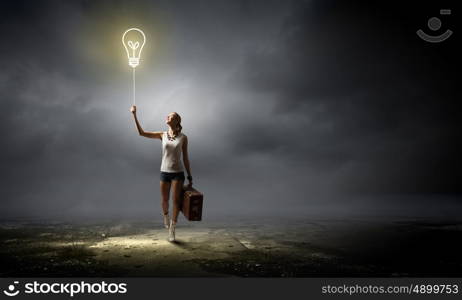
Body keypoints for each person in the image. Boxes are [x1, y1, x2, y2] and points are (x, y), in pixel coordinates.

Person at [130, 105, 193, 242]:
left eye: (170, 116)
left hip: (178, 173)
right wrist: (134, 115)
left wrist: (189, 176)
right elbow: (141, 133)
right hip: (164, 172)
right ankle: (165, 215)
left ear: (176, 121)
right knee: (164, 200)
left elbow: (186, 158)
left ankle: (172, 228)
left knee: (176, 201)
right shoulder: (162, 135)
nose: (167, 117)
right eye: (168, 115)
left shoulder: (183, 138)